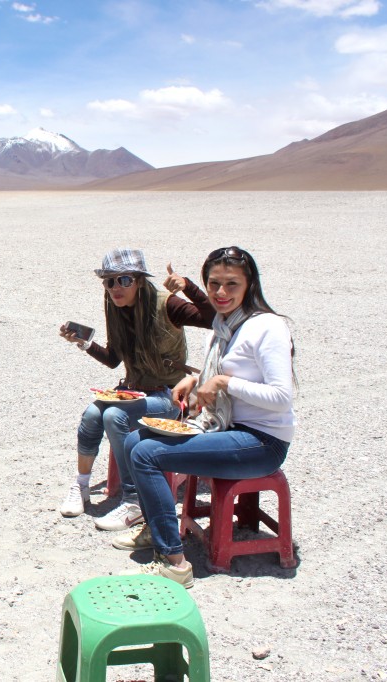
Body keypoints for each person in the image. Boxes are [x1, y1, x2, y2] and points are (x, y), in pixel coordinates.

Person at [115, 246, 295, 588]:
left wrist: (223, 382)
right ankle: (156, 528)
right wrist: (197, 378)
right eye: (213, 284)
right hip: (228, 428)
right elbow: (233, 369)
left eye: (231, 284)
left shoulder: (267, 327)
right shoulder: (227, 324)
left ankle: (174, 563)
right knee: (137, 438)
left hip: (261, 442)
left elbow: (281, 397)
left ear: (250, 285)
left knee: (146, 454)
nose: (220, 293)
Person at [58, 248, 214, 531]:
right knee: (93, 413)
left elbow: (213, 318)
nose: (116, 288)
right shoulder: (117, 310)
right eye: (110, 282)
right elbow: (113, 359)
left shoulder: (167, 304)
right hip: (136, 393)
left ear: (140, 281)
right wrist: (82, 343)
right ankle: (81, 486)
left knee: (113, 416)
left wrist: (189, 286)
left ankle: (134, 502)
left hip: (170, 396)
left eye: (124, 280)